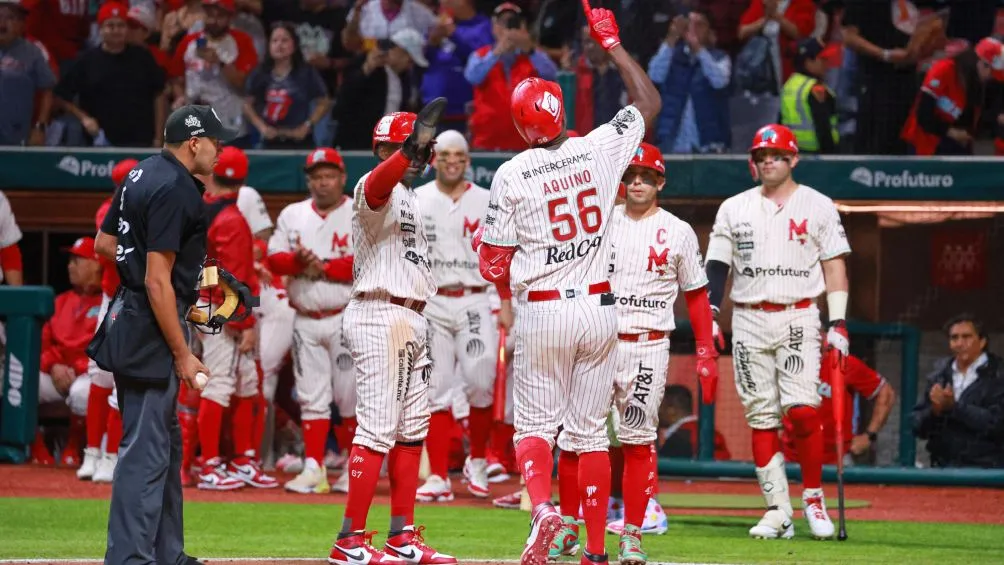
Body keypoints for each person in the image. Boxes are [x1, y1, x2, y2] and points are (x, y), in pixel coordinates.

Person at [473, 6, 661, 563]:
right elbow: (649, 104)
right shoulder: (597, 148)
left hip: (545, 310)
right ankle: (597, 552)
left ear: (520, 125)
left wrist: (488, 251)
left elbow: (493, 267)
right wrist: (612, 44)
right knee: (588, 439)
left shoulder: (510, 173)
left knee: (533, 427)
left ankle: (544, 512)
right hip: (602, 311)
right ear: (558, 112)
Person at [549, 142, 717, 563]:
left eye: (646, 176)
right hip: (596, 344)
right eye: (630, 176)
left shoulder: (677, 230)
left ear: (661, 181)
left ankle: (632, 533)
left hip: (647, 345)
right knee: (575, 439)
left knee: (637, 440)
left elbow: (696, 295)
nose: (637, 182)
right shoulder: (600, 222)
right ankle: (569, 527)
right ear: (621, 182)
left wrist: (705, 351)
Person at [88, 104, 235, 565]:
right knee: (145, 453)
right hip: (152, 327)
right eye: (216, 142)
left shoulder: (141, 173)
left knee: (165, 447)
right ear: (195, 143)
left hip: (133, 316)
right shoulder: (178, 188)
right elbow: (156, 279)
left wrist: (183, 284)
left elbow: (105, 244)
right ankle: (130, 558)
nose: (220, 151)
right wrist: (183, 353)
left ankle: (167, 553)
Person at [704, 123, 851, 540]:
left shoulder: (818, 204)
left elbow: (835, 264)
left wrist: (838, 322)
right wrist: (711, 314)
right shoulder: (734, 207)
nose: (769, 161)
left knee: (803, 409)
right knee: (762, 418)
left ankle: (814, 499)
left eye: (777, 155)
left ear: (793, 159)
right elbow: (717, 266)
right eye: (762, 156)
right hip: (748, 316)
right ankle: (778, 510)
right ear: (754, 163)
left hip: (799, 313)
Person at [327, 99, 456, 564]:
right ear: (391, 147)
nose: (423, 157)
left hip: (413, 317)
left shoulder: (412, 197)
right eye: (417, 149)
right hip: (381, 314)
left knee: (411, 430)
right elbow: (379, 183)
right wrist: (403, 152)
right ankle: (349, 540)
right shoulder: (373, 183)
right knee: (378, 428)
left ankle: (401, 537)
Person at [414, 130, 510, 502]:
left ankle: (478, 461)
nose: (452, 160)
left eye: (459, 155)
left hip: (474, 298)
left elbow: (501, 255)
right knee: (435, 387)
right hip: (433, 299)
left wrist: (505, 301)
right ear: (434, 159)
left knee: (481, 376)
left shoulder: (487, 201)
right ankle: (438, 474)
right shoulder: (417, 199)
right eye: (445, 154)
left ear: (467, 160)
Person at [267, 147, 357, 495]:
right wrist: (296, 261)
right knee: (311, 397)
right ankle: (314, 468)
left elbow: (370, 261)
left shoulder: (357, 211)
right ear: (309, 180)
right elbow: (274, 259)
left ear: (342, 177)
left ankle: (353, 464)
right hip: (305, 316)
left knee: (350, 398)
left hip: (345, 316)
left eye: (329, 175)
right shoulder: (293, 214)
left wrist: (324, 267)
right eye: (317, 177)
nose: (323, 183)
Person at [194, 159, 275, 491]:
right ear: (242, 184)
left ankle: (243, 460)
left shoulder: (203, 209)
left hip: (209, 301)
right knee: (219, 383)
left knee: (246, 384)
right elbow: (230, 277)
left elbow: (243, 278)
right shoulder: (231, 219)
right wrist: (241, 321)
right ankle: (209, 465)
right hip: (217, 306)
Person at [78, 158, 137, 483]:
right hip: (112, 297)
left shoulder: (153, 206)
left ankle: (112, 456)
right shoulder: (107, 209)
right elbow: (106, 249)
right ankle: (92, 452)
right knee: (99, 373)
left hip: (137, 300)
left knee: (120, 375)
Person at [31, 237, 104, 466]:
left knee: (84, 394)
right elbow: (42, 343)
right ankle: (36, 447)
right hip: (57, 374)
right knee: (20, 383)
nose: (70, 265)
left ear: (96, 264)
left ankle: (74, 445)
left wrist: (77, 368)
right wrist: (53, 366)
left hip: (85, 374)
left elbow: (104, 347)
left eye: (78, 260)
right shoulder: (60, 301)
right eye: (70, 260)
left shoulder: (108, 303)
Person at [913, 314, 1004, 468]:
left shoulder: (999, 376)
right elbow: (918, 427)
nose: (960, 343)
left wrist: (954, 408)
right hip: (943, 469)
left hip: (989, 472)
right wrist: (934, 411)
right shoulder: (939, 376)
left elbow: (997, 424)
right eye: (954, 338)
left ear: (982, 341)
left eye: (966, 337)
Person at [782, 347, 895, 466]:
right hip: (791, 460)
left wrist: (869, 435)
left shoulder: (843, 362)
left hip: (836, 462)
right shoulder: (784, 362)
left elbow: (885, 393)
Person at [900, 37, 1004, 156]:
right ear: (981, 62)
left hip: (956, 147)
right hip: (925, 144)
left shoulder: (978, 84)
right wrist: (951, 132)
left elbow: (977, 119)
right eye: (990, 71)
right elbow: (923, 115)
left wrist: (997, 118)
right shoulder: (943, 70)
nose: (990, 77)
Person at [779, 37, 838, 154]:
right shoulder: (815, 88)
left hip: (791, 152)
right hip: (816, 155)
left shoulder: (789, 84)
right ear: (808, 62)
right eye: (822, 59)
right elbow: (823, 128)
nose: (826, 64)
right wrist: (832, 159)